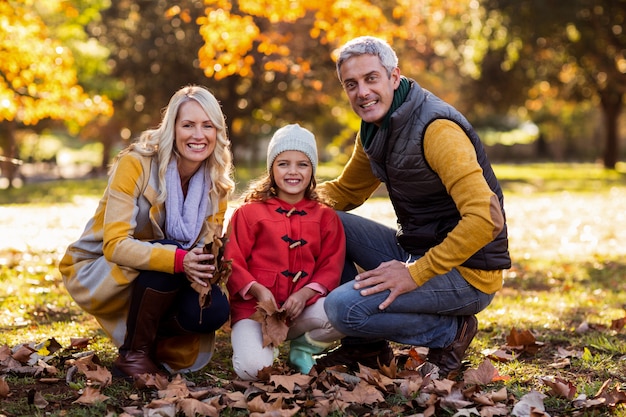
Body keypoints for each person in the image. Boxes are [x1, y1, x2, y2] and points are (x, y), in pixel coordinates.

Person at [315, 36, 511, 378]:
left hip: (468, 272)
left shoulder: (437, 130)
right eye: (351, 84)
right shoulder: (375, 130)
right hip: (417, 251)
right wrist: (271, 204)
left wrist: (413, 273)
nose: (362, 92)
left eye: (371, 78)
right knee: (324, 221)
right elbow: (346, 191)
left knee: (340, 307)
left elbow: (485, 218)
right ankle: (367, 348)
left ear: (394, 77)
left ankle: (450, 334)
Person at [59, 85, 235, 379]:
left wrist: (202, 267)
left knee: (213, 308)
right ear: (173, 128)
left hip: (171, 275)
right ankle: (134, 355)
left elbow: (206, 249)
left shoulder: (216, 183)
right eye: (188, 125)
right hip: (106, 269)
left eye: (207, 126)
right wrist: (179, 260)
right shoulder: (136, 164)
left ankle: (149, 340)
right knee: (168, 249)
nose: (198, 135)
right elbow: (114, 245)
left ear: (217, 131)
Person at [225, 124, 345, 381]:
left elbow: (331, 266)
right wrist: (258, 290)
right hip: (254, 313)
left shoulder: (325, 216)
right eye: (283, 164)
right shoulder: (248, 213)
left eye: (302, 164)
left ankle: (304, 347)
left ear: (312, 169)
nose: (293, 172)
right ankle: (262, 348)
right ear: (271, 168)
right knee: (252, 370)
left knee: (347, 310)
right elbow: (232, 260)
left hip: (302, 311)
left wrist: (304, 293)